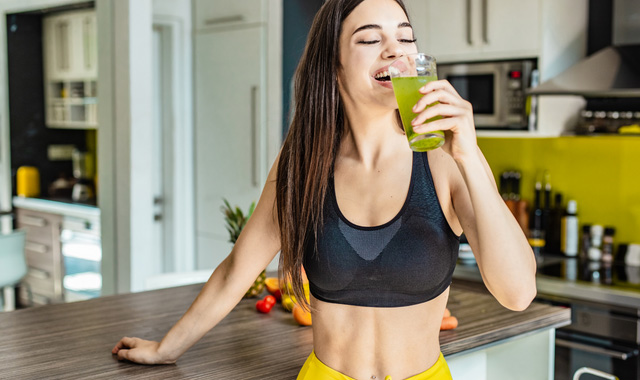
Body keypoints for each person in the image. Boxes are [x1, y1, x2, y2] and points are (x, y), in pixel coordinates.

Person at [112, 0, 537, 378]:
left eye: (405, 38)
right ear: (333, 64)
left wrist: (470, 156)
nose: (395, 49)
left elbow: (518, 293)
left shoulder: (446, 160)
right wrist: (167, 348)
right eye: (371, 39)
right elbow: (236, 269)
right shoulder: (303, 163)